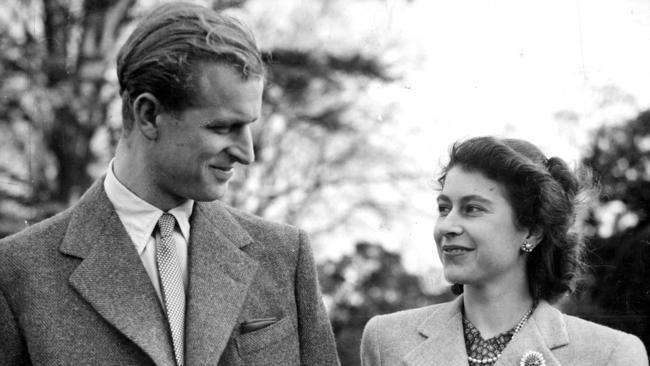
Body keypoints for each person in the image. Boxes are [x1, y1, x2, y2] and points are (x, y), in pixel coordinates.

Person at [0, 3, 339, 365]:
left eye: (249, 126)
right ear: (149, 115)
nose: (247, 153)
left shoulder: (285, 256)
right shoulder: (18, 273)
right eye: (223, 127)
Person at [360, 136, 648, 366]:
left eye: (472, 209)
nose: (447, 226)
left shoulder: (612, 356)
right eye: (444, 208)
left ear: (532, 230)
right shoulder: (386, 340)